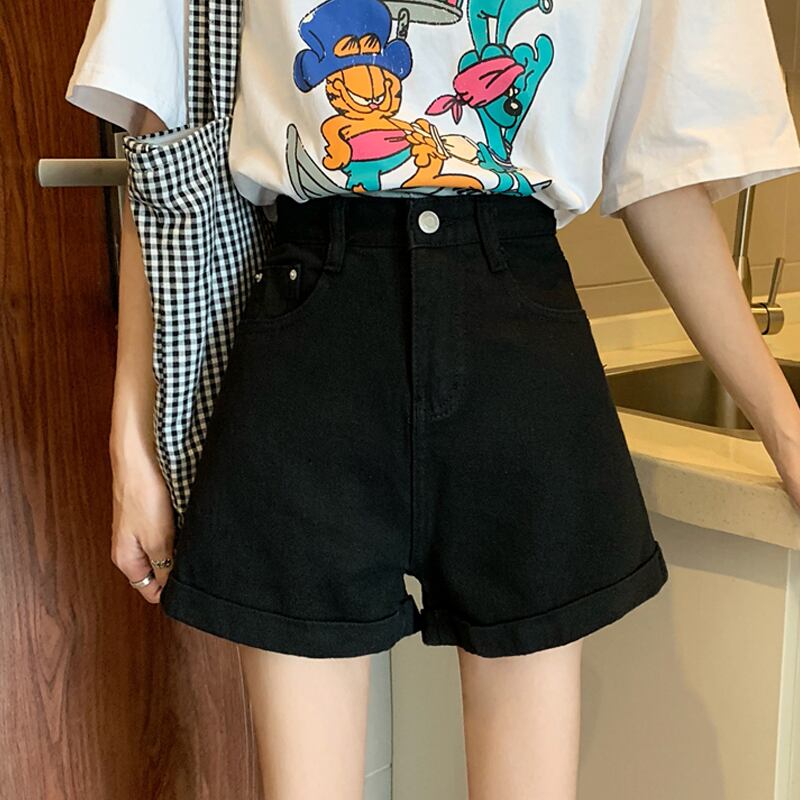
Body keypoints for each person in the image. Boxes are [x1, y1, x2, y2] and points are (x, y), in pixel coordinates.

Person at [66, 0, 800, 797]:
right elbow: (162, 144)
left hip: (517, 341)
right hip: (312, 341)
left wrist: (784, 427)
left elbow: (663, 178)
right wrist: (132, 443)